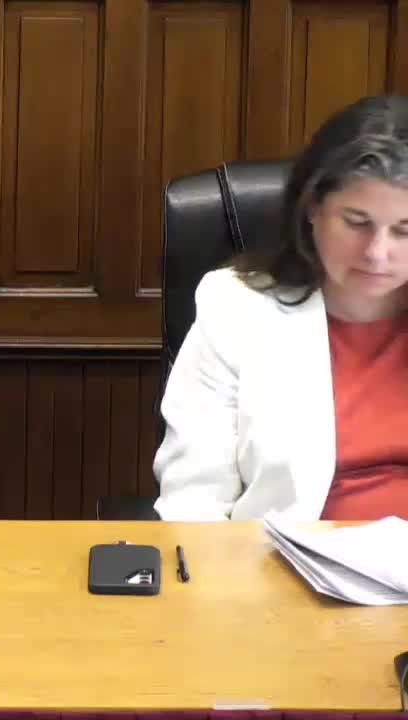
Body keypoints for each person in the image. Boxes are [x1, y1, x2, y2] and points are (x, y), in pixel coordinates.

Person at [153, 94, 408, 521]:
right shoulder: (235, 309)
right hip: (287, 558)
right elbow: (193, 503)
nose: (377, 253)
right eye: (357, 222)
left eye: (404, 230)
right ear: (312, 208)